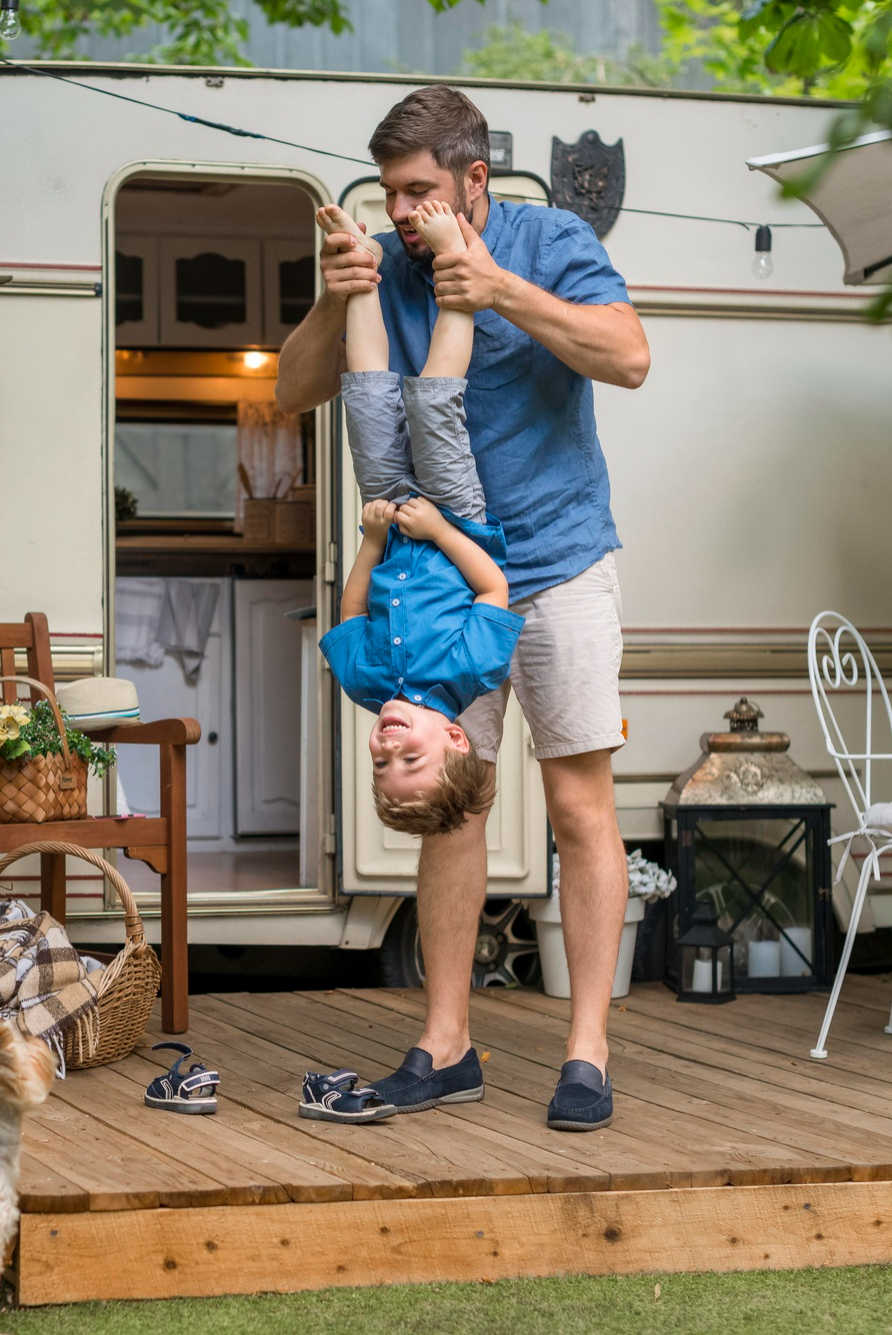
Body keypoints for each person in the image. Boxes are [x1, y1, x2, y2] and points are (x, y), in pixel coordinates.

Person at [276, 85, 650, 1132]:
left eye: (417, 191)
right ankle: (446, 1045)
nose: (399, 212)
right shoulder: (386, 265)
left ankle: (585, 1051)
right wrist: (329, 296)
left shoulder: (549, 237)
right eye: (390, 193)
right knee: (456, 810)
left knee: (578, 808)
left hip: (559, 560)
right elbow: (290, 391)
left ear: (472, 180)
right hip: (443, 585)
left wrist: (495, 289)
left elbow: (625, 358)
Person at [320, 196, 523, 843]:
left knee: (367, 396)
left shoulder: (363, 682)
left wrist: (374, 538)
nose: (389, 749)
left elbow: (351, 614)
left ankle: (360, 265)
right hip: (453, 515)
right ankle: (453, 262)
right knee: (436, 401)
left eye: (382, 764)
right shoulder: (474, 670)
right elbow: (493, 586)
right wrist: (441, 530)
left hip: (390, 514)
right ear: (455, 736)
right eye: (411, 758)